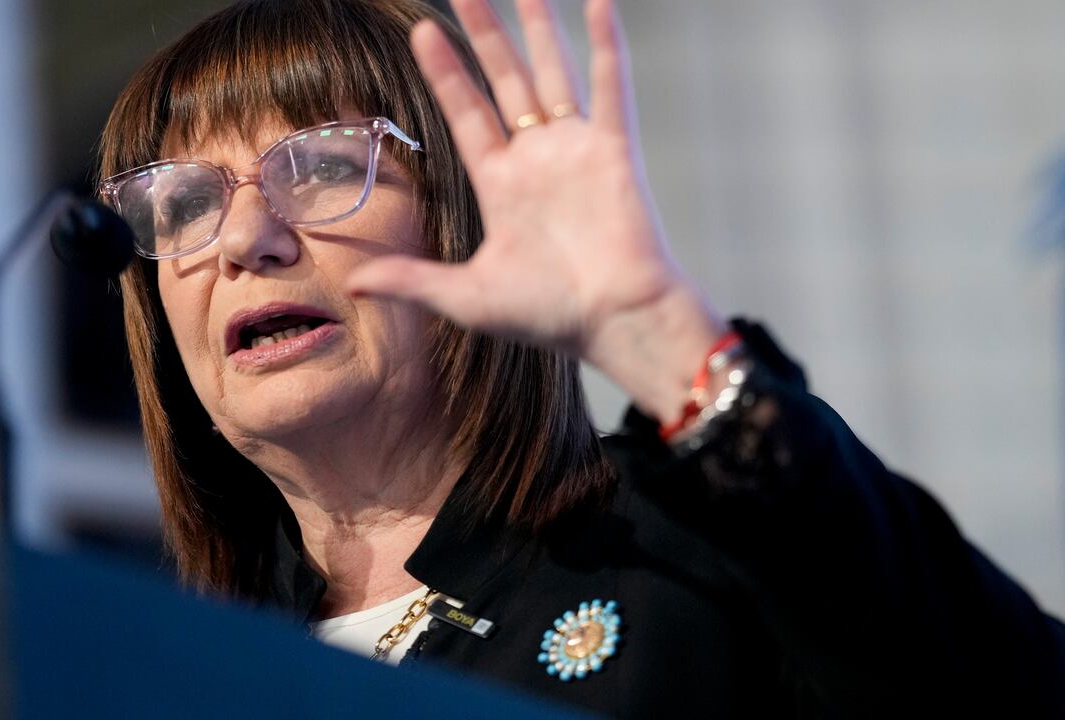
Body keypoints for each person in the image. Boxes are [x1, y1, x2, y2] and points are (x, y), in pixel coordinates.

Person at [96, 0, 1065, 715]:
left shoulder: (683, 550)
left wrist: (655, 335)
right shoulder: (152, 677)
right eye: (183, 203)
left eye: (322, 167)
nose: (242, 239)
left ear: (466, 222)